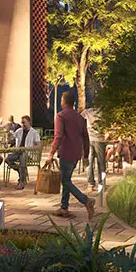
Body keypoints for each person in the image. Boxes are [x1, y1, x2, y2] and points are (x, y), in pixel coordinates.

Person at [47, 89, 94, 219]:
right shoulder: (80, 117)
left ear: (63, 102)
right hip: (76, 154)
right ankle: (64, 208)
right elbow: (86, 137)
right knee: (66, 179)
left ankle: (86, 201)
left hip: (66, 153)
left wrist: (51, 153)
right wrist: (85, 156)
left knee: (65, 180)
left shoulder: (61, 116)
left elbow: (58, 136)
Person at [5, 115, 41, 190]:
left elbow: (38, 146)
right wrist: (9, 135)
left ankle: (21, 181)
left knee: (23, 156)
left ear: (29, 122)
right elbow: (11, 140)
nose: (22, 124)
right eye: (22, 123)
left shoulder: (34, 133)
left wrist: (27, 148)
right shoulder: (19, 131)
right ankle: (21, 173)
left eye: (24, 122)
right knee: (7, 159)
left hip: (29, 154)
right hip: (18, 152)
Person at [83, 105, 108, 191]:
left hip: (89, 139)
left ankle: (90, 184)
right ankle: (102, 184)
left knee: (89, 162)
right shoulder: (104, 112)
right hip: (100, 139)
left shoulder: (88, 111)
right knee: (101, 162)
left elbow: (79, 117)